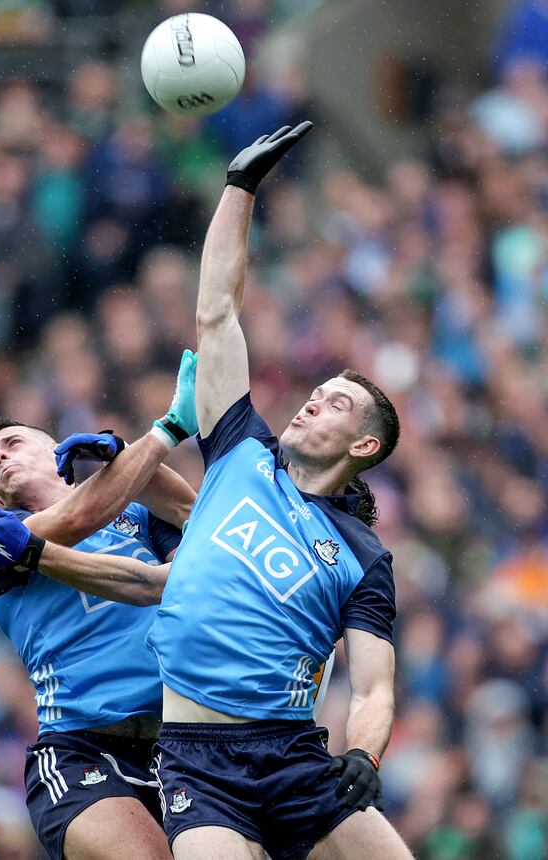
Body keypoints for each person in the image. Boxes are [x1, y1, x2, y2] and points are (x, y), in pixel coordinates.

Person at [143, 123, 413, 860]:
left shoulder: (363, 560)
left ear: (364, 446)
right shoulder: (237, 449)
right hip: (199, 761)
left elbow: (373, 689)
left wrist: (363, 753)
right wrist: (239, 189)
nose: (309, 402)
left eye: (334, 403)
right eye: (315, 391)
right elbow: (216, 313)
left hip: (293, 758)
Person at [0, 351, 199, 860]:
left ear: (54, 448)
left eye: (12, 444)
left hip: (179, 743)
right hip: (82, 748)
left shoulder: (136, 514)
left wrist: (124, 455)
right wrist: (165, 432)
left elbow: (197, 532)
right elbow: (81, 514)